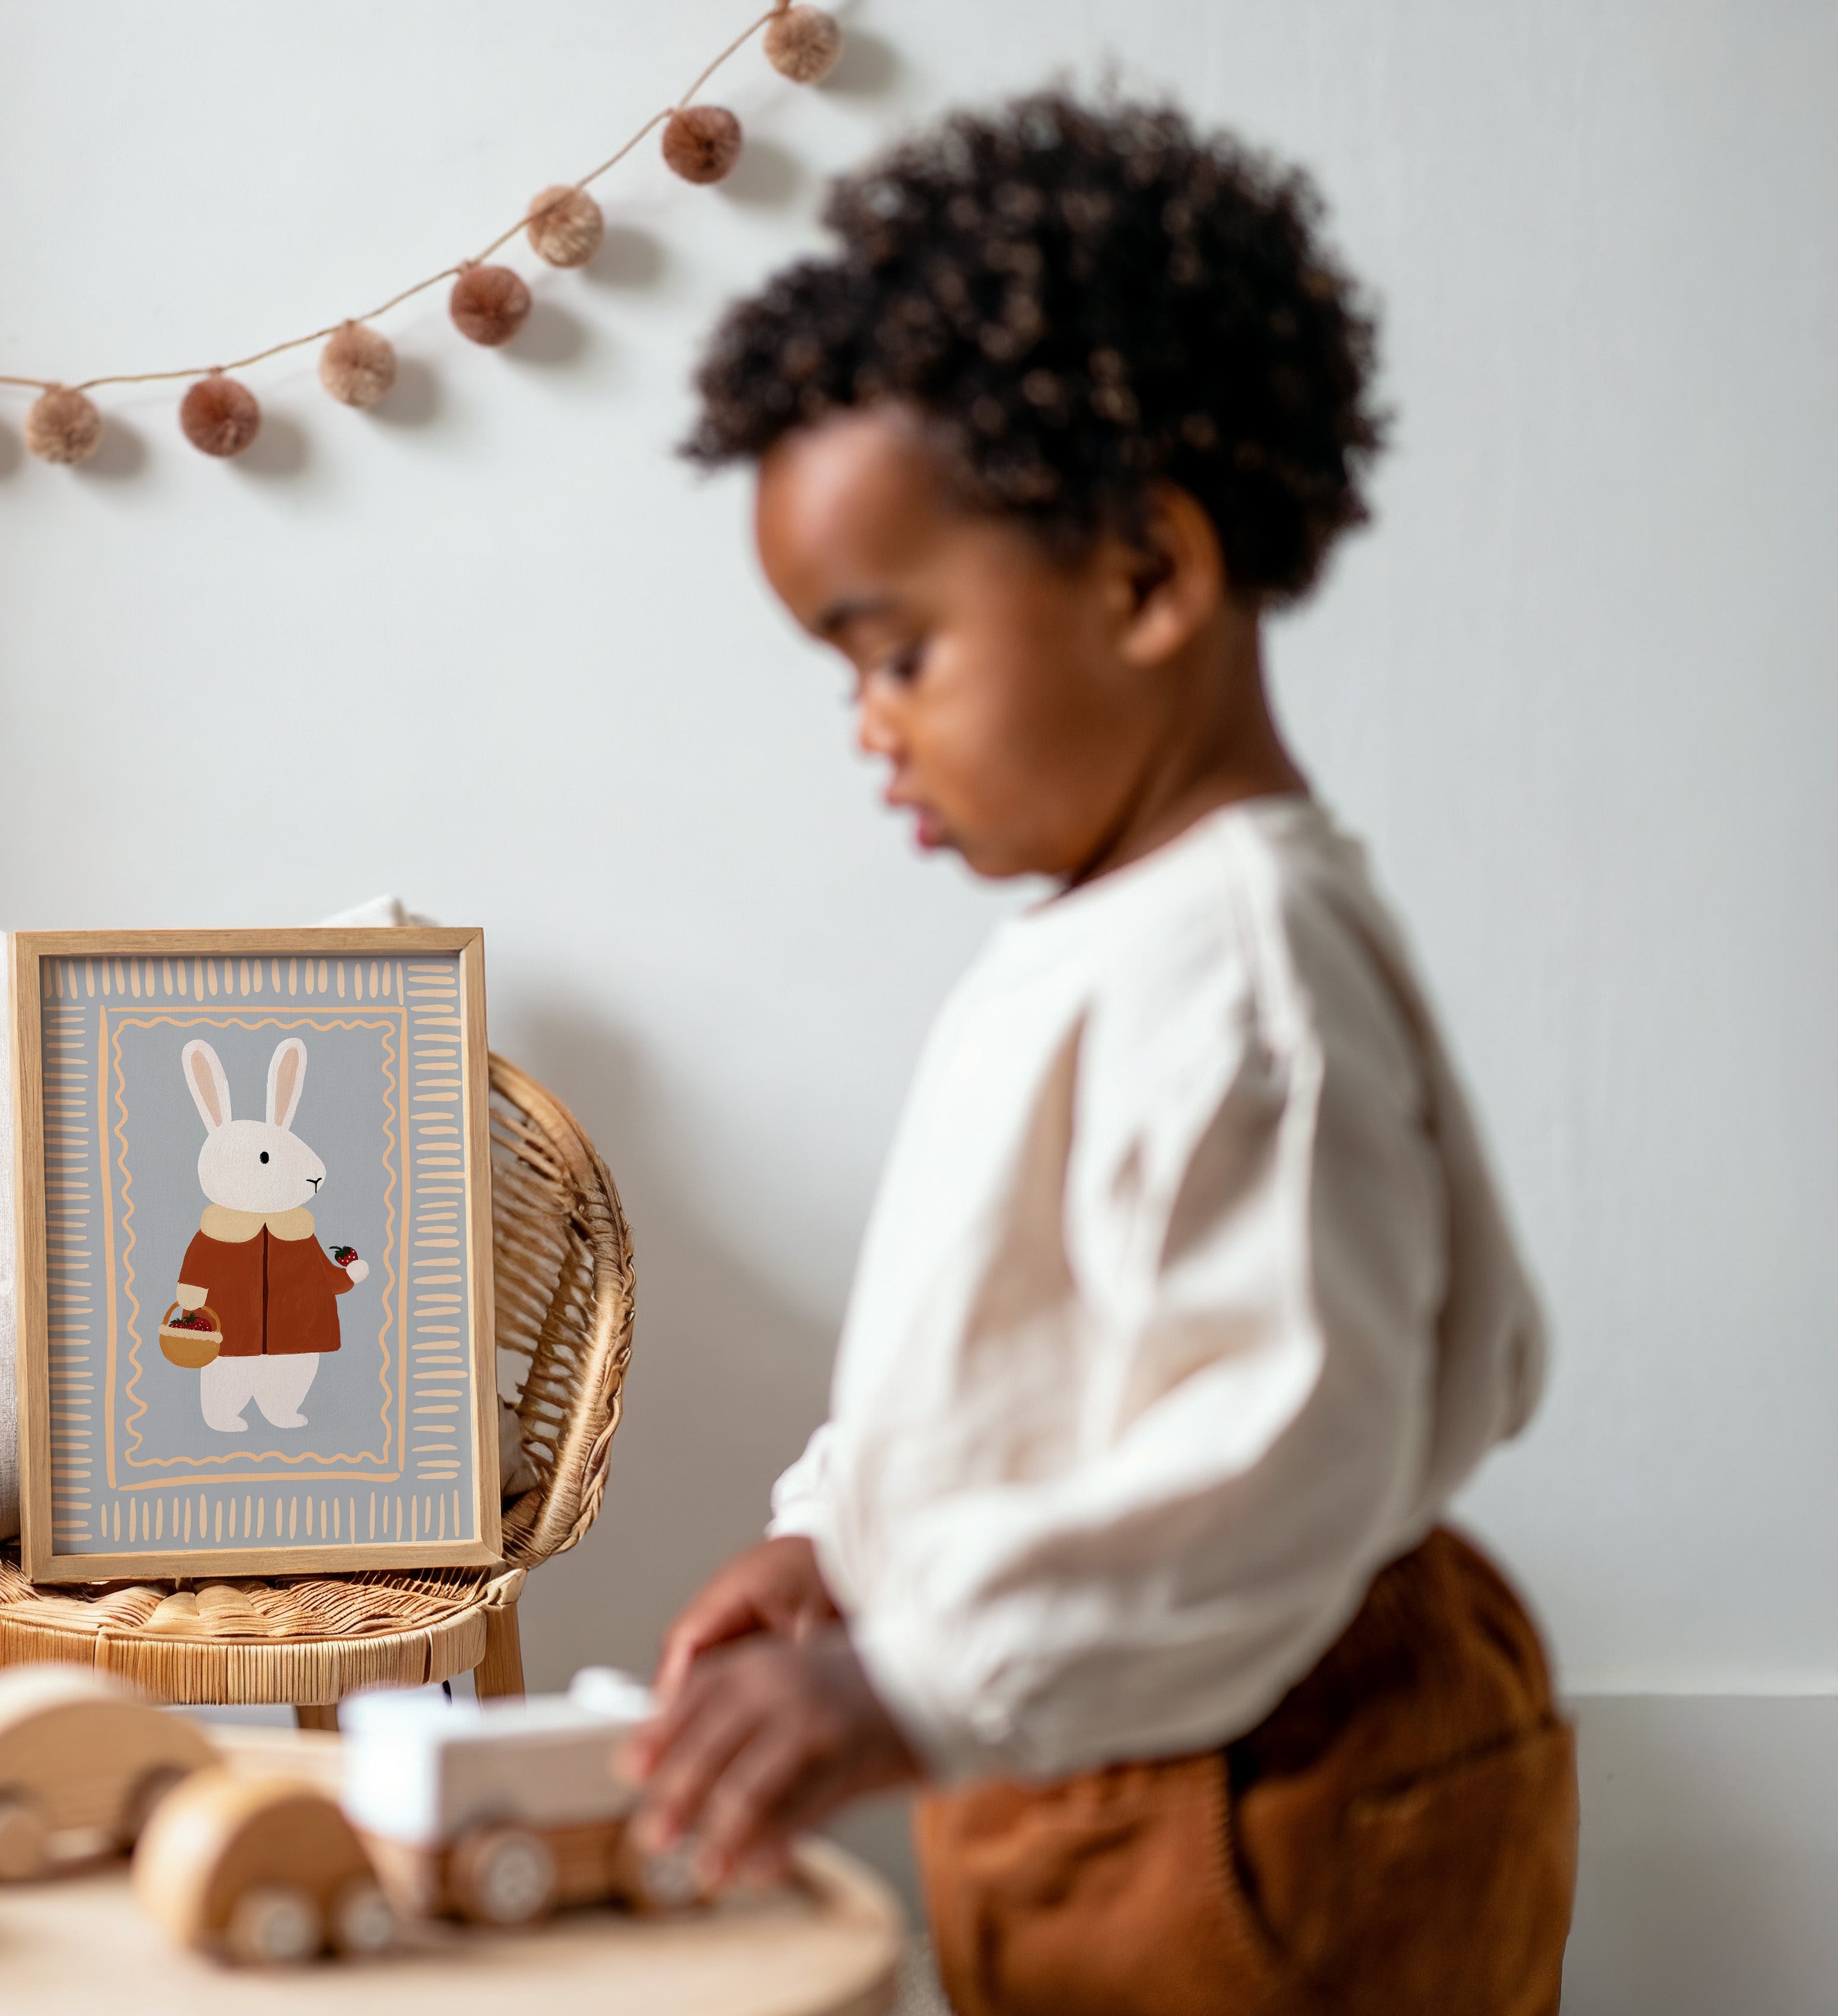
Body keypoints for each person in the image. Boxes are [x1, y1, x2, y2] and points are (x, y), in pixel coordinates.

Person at [618, 90, 1579, 2014]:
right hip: (1091, 1722)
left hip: (1272, 1767)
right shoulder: (1112, 939)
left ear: (1145, 581)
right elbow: (1023, 1353)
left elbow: (1277, 1444)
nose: (870, 726)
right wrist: (842, 1543)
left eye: (900, 654)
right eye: (843, 673)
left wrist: (908, 1676)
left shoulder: (1247, 971)